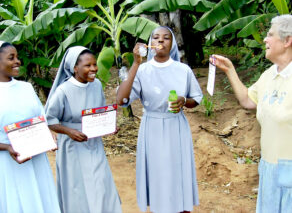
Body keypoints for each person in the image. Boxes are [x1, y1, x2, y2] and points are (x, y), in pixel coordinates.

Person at [116, 26, 203, 213]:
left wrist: (184, 102)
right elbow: (121, 100)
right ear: (150, 43)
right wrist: (135, 64)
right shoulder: (142, 70)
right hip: (152, 128)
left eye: (166, 38)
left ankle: (181, 208)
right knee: (157, 173)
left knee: (177, 170)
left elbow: (195, 99)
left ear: (172, 44)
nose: (161, 41)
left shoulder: (183, 70)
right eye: (156, 37)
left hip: (176, 126)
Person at [211, 14, 292, 213]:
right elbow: (248, 100)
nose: (265, 39)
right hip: (268, 168)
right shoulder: (269, 75)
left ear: (288, 41)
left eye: (270, 35)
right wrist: (229, 70)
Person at [45, 46, 122, 213]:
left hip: (94, 144)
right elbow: (50, 121)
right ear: (75, 68)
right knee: (77, 188)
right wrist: (69, 131)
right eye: (88, 65)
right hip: (72, 148)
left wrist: (108, 126)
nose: (93, 69)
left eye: (94, 64)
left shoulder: (96, 86)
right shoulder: (63, 91)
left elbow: (100, 111)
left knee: (100, 183)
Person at [0, 41, 60, 213]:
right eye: (11, 58)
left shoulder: (26, 88)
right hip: (8, 163)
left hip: (37, 158)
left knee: (39, 199)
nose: (17, 61)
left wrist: (49, 134)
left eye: (17, 57)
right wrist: (7, 147)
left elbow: (39, 118)